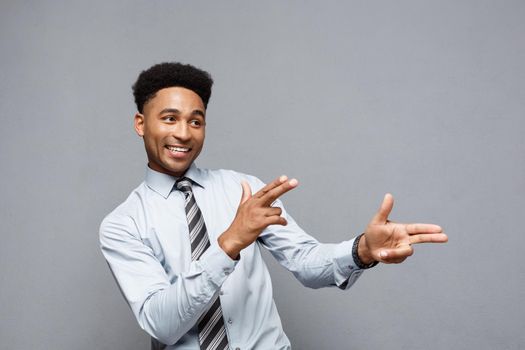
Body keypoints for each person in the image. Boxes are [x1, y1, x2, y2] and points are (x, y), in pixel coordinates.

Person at [99, 62, 448, 350]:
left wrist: (362, 251)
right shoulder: (123, 225)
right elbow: (162, 324)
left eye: (196, 121)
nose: (184, 133)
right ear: (141, 124)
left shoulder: (244, 188)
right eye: (170, 118)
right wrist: (228, 244)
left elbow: (307, 263)